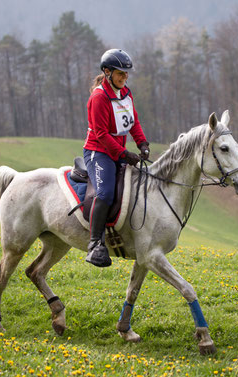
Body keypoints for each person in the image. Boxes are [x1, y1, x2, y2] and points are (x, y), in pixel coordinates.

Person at [83, 49, 150, 267]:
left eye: (127, 73)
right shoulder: (99, 97)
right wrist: (124, 154)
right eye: (121, 73)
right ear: (107, 72)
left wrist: (142, 143)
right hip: (98, 152)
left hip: (118, 151)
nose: (125, 77)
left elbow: (134, 122)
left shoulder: (125, 93)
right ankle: (95, 244)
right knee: (105, 193)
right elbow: (101, 135)